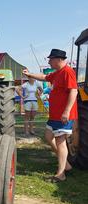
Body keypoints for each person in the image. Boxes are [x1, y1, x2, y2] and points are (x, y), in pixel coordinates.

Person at [23, 49, 78, 183]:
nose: (48, 61)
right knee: (48, 137)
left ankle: (61, 174)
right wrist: (29, 74)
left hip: (63, 115)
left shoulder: (68, 72)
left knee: (60, 142)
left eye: (50, 59)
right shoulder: (57, 73)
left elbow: (74, 92)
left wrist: (66, 111)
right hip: (54, 115)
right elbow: (44, 77)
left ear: (58, 59)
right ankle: (66, 165)